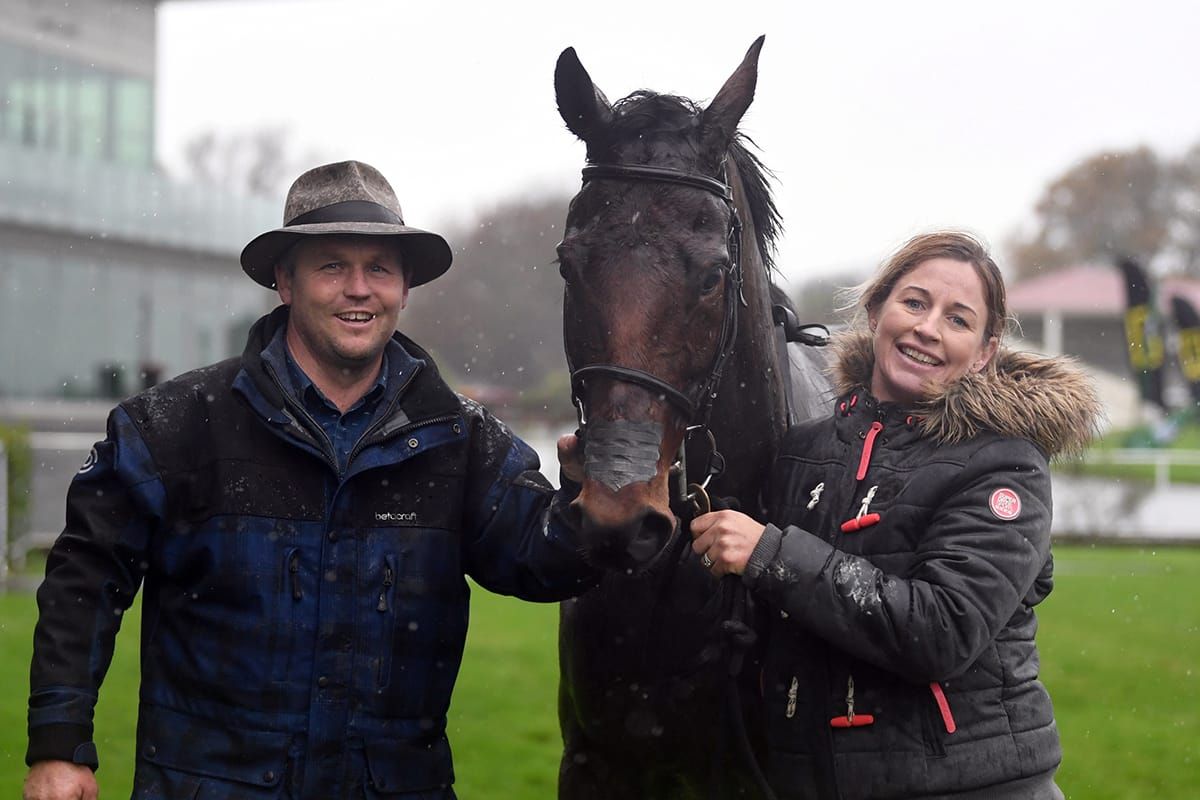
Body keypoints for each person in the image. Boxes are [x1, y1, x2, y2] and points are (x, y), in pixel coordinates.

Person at [24, 160, 594, 800]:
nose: (358, 288)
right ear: (285, 282)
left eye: (379, 267)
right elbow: (84, 580)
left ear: (405, 288)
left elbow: (548, 562)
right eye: (331, 265)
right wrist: (58, 745)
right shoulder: (175, 427)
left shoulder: (461, 440)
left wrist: (595, 501)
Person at [690, 232, 1102, 799]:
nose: (928, 328)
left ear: (984, 351)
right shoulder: (800, 449)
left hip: (972, 790)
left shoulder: (1006, 465)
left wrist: (771, 554)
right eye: (914, 302)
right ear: (876, 309)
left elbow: (943, 631)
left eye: (958, 320)